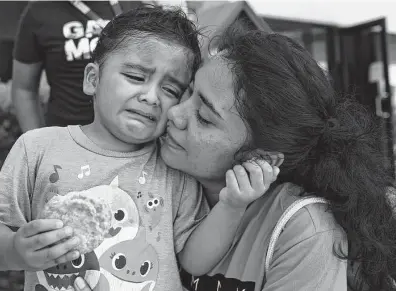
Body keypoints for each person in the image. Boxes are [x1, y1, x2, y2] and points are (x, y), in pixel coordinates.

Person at [0, 7, 279, 291]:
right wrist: (13, 250)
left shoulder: (172, 166)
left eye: (170, 89)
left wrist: (232, 205)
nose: (151, 96)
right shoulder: (37, 148)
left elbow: (193, 261)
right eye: (134, 77)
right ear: (93, 79)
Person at [73, 25, 396, 291]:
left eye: (203, 116)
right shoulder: (155, 181)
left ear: (262, 157)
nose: (174, 114)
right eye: (187, 92)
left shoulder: (303, 230)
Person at [11, 1, 142, 131]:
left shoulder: (137, 4)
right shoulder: (40, 11)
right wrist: (36, 144)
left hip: (131, 135)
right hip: (66, 136)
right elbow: (24, 89)